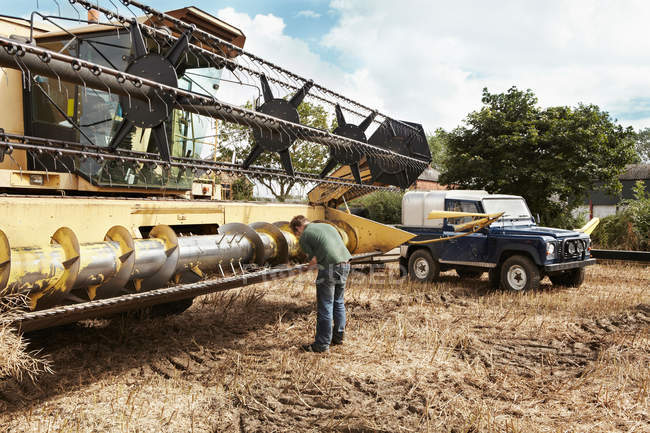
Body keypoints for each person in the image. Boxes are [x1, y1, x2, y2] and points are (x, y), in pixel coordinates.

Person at [290, 215, 351, 353]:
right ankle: (338, 337)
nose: (298, 235)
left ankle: (322, 345)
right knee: (338, 302)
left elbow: (315, 259)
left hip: (329, 267)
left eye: (296, 233)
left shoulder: (305, 235)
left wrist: (306, 268)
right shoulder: (327, 226)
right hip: (345, 264)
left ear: (298, 227)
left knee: (326, 305)